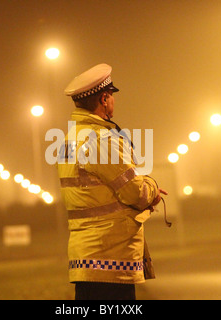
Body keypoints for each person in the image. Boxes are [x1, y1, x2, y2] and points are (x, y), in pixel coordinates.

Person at [57, 63, 167, 300]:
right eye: (112, 97)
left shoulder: (69, 139)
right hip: (110, 259)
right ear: (104, 99)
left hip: (85, 258)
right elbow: (134, 193)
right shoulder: (100, 140)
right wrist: (153, 188)